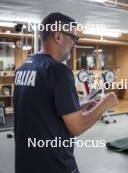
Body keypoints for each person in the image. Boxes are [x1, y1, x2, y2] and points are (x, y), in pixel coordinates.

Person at [14, 12, 118, 173]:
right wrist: (104, 105)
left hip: (26, 163)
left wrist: (81, 105)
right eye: (73, 39)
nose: (75, 45)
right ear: (58, 37)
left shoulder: (24, 68)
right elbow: (76, 127)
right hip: (54, 163)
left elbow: (43, 111)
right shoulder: (58, 70)